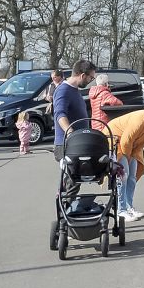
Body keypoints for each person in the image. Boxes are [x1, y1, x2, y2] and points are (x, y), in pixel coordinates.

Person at [53, 60, 98, 201]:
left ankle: (67, 207)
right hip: (67, 144)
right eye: (91, 78)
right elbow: (59, 114)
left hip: (78, 144)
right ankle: (66, 212)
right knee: (72, 180)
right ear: (83, 75)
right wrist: (70, 132)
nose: (91, 81)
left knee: (73, 181)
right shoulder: (63, 90)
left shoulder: (74, 90)